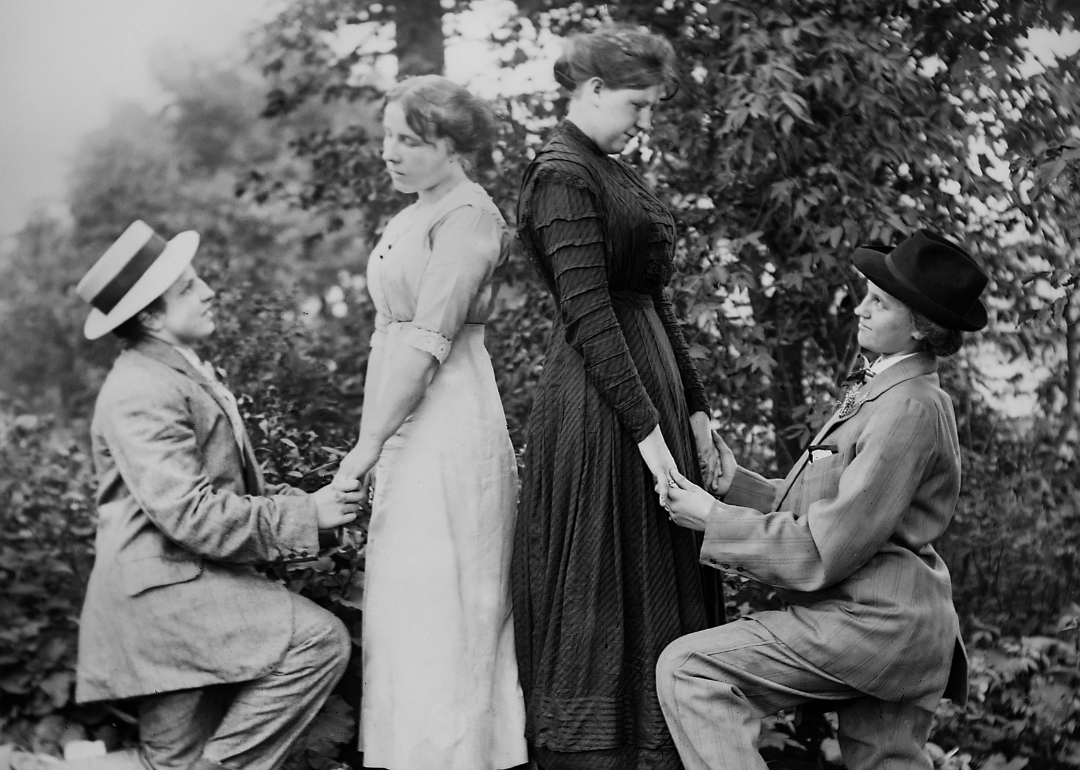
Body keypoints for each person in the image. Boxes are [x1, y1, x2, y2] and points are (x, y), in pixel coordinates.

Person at [0, 220, 361, 770]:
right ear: (149, 317)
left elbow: (230, 490)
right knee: (317, 643)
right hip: (165, 596)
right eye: (189, 288)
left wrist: (321, 504)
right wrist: (306, 514)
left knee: (173, 759)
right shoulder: (140, 389)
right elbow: (190, 513)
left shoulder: (179, 371)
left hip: (187, 585)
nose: (208, 291)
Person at [658, 229, 987, 770]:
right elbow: (832, 510)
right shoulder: (887, 390)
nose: (860, 308)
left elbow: (822, 547)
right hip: (894, 625)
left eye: (879, 303)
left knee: (690, 668)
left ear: (921, 327)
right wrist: (734, 486)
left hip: (876, 625)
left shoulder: (910, 406)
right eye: (867, 293)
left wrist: (714, 520)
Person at [511, 25, 726, 770]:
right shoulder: (561, 175)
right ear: (593, 90)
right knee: (603, 584)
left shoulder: (610, 165)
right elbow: (590, 314)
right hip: (602, 413)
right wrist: (647, 436)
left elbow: (651, 297)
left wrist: (695, 409)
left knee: (660, 579)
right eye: (636, 104)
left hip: (652, 398)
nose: (644, 120)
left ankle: (664, 751)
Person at [333, 75, 527, 770]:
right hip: (402, 418)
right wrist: (377, 440)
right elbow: (390, 340)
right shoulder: (415, 208)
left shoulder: (470, 215)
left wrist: (365, 448)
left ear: (453, 148)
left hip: (446, 419)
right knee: (408, 599)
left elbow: (426, 342)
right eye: (387, 136)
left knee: (448, 601)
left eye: (409, 142)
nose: (390, 152)